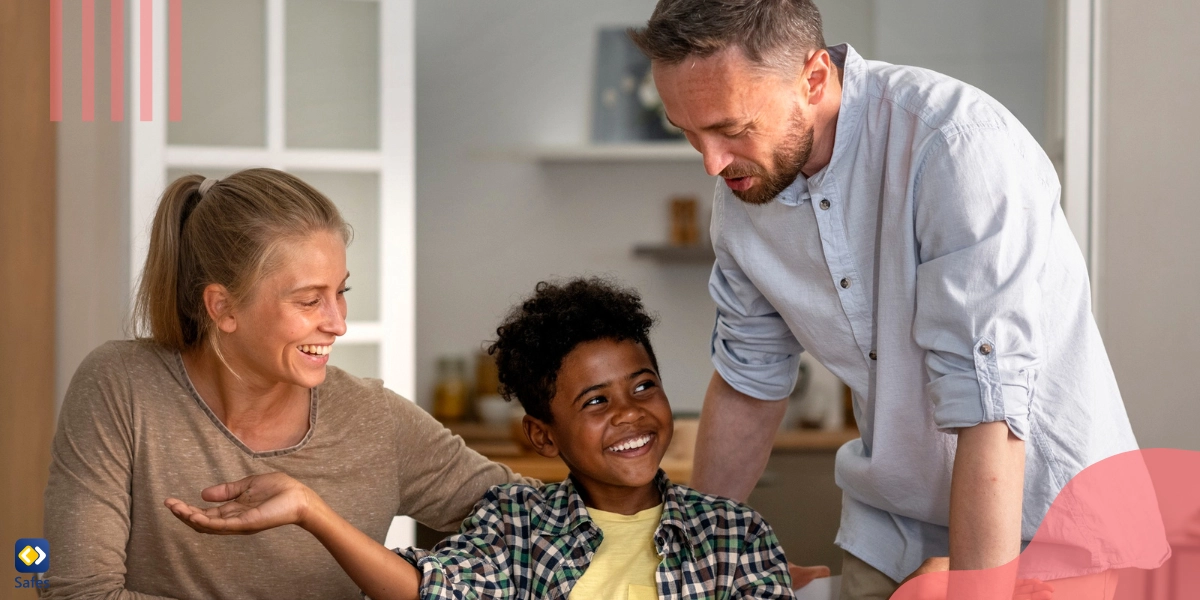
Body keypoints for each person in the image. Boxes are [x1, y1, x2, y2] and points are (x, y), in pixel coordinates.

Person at [629, 1, 1166, 599]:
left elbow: (989, 402)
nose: (710, 163)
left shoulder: (957, 148)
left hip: (1050, 523)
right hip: (892, 524)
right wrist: (698, 560)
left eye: (731, 129)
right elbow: (747, 380)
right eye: (689, 133)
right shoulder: (744, 193)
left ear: (811, 79)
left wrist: (973, 586)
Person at [41, 169, 525, 599]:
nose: (338, 324)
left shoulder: (377, 421)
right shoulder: (121, 385)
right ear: (223, 307)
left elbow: (540, 525)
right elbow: (77, 592)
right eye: (310, 301)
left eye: (341, 293)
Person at [165, 278, 795, 599]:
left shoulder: (733, 535)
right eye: (595, 402)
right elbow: (426, 591)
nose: (630, 415)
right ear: (542, 436)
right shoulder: (515, 521)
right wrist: (310, 510)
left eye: (643, 387)